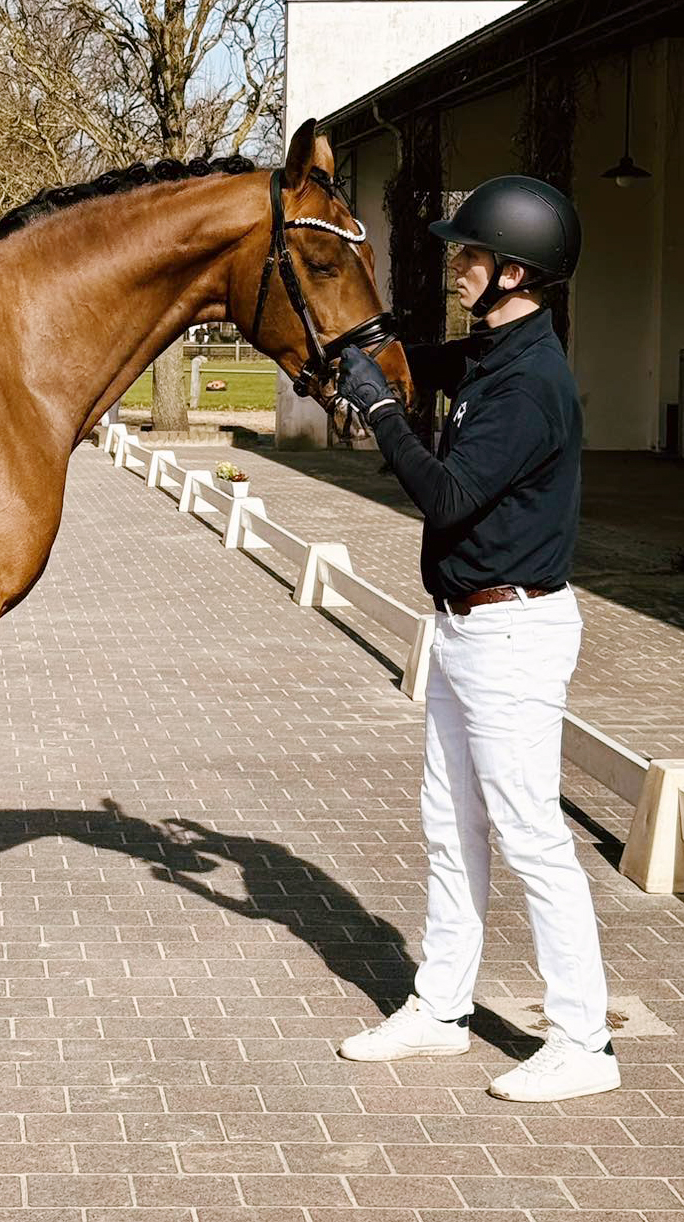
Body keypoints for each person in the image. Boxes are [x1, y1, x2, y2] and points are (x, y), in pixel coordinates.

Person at [331, 175, 619, 1103]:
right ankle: (441, 1009)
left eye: (468, 254)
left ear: (514, 272)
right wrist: (366, 353)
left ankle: (583, 1042)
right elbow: (431, 363)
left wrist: (377, 409)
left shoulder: (530, 385)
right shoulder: (496, 354)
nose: (454, 267)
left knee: (530, 834)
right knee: (449, 827)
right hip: (463, 628)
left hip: (512, 633)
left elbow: (447, 495)